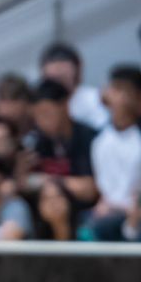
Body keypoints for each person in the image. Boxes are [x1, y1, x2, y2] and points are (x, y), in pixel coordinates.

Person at [88, 66, 141, 237]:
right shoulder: (98, 139)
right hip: (106, 212)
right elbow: (101, 190)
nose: (120, 98)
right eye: (115, 90)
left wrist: (139, 206)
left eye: (125, 92)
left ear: (139, 97)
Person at [22, 79, 98, 209]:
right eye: (36, 117)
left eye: (46, 113)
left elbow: (89, 189)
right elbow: (25, 182)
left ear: (65, 105)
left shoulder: (88, 138)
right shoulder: (38, 141)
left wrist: (51, 181)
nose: (41, 121)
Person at [38, 42, 107, 129]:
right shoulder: (40, 105)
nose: (59, 86)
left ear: (76, 71)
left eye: (63, 76)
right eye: (54, 78)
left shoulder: (94, 98)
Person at [27, 177, 78, 241]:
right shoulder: (32, 240)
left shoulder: (85, 229)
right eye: (46, 198)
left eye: (58, 196)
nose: (53, 203)